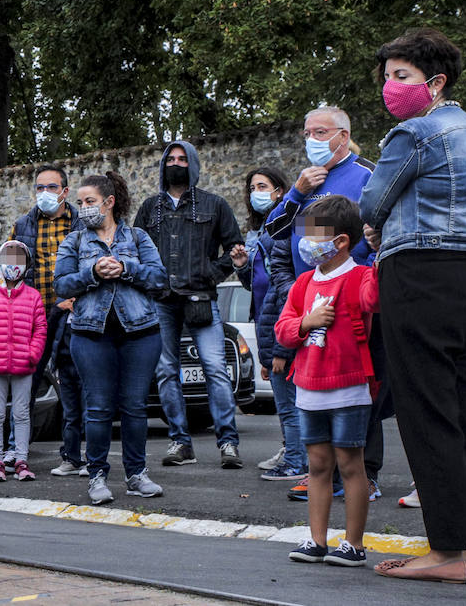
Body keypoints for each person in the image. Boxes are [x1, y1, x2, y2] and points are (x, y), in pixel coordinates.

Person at [360, 28, 466, 584]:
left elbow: (373, 200)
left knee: (425, 412)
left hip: (418, 275)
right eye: (388, 76)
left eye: (402, 76)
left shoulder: (416, 132)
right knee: (462, 411)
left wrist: (376, 230)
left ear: (435, 81)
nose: (391, 87)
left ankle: (444, 550)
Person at [261, 108, 389, 503]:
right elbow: (272, 235)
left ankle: (365, 473)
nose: (311, 138)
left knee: (358, 384)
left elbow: (379, 230)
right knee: (316, 382)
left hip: (354, 293)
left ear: (343, 135)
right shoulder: (305, 180)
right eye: (306, 132)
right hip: (311, 292)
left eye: (320, 131)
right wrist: (296, 193)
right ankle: (323, 473)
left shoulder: (367, 174)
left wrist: (362, 275)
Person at [274, 196, 380, 569]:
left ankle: (353, 544)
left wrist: (380, 253)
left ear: (341, 242)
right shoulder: (303, 284)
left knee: (352, 466)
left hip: (350, 386)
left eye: (313, 233)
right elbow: (284, 331)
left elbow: (376, 299)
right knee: (317, 465)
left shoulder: (361, 275)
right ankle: (316, 539)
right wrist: (307, 322)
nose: (305, 241)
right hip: (308, 387)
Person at [56, 172, 169, 505]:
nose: (83, 208)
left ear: (109, 202)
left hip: (141, 332)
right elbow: (61, 286)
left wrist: (126, 269)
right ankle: (97, 476)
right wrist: (91, 274)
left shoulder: (137, 237)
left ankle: (136, 475)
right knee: (98, 408)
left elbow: (160, 278)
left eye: (89, 201)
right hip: (90, 334)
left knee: (134, 407)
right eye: (80, 203)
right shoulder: (74, 242)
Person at [134, 141, 244, 468]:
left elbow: (234, 249)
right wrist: (150, 281)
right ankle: (180, 442)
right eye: (171, 158)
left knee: (215, 369)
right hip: (162, 302)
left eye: (183, 159)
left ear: (193, 164)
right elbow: (136, 251)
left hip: (201, 298)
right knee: (166, 371)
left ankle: (228, 443)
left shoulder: (215, 204)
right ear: (163, 164)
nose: (176, 164)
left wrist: (210, 273)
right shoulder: (149, 208)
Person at [0, 164, 84, 475]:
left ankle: (76, 453)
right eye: (39, 187)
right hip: (33, 321)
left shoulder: (80, 226)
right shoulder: (24, 226)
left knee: (75, 384)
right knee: (24, 388)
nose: (44, 193)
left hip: (71, 316)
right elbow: (1, 266)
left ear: (65, 192)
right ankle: (17, 450)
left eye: (51, 187)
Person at [231, 168, 305, 480]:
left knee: (289, 400)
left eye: (262, 186)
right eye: (252, 187)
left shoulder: (287, 226)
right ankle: (292, 450)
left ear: (280, 192)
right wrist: (242, 267)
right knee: (284, 399)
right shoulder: (258, 233)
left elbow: (278, 287)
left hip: (280, 322)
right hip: (266, 321)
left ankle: (298, 459)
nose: (255, 192)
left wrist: (276, 347)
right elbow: (256, 286)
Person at [0, 240, 47, 482]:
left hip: (23, 366)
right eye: (8, 258)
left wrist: (32, 354)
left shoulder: (33, 297)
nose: (13, 265)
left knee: (22, 414)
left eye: (18, 260)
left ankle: (21, 459)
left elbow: (40, 330)